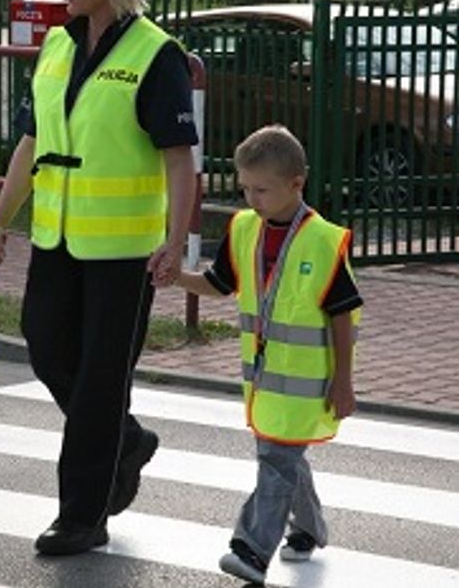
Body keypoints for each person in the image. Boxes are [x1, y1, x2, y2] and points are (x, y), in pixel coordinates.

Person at [0, 0, 198, 555]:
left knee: (101, 381)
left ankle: (82, 516)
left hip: (126, 254)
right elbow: (30, 143)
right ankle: (124, 441)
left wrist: (175, 240)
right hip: (57, 240)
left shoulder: (156, 54)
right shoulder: (57, 45)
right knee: (46, 349)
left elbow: (180, 159)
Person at [162, 124, 361, 585]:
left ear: (297, 184)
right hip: (264, 381)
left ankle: (250, 550)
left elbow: (342, 318)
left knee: (277, 461)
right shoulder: (244, 228)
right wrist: (176, 276)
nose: (251, 199)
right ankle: (309, 529)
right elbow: (218, 285)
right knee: (284, 458)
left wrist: (345, 382)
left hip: (310, 383)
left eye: (262, 190)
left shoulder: (325, 241)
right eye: (245, 188)